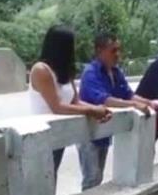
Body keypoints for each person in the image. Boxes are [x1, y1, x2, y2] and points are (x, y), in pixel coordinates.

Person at [29, 26, 112, 183]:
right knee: (45, 180)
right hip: (43, 134)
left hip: (60, 133)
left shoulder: (64, 71)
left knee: (52, 176)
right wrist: (92, 111)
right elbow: (57, 107)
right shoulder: (41, 70)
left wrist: (98, 109)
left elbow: (75, 101)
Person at [78, 32, 155, 191]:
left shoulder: (116, 72)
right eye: (113, 50)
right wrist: (134, 105)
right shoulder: (90, 73)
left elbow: (128, 93)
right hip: (88, 133)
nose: (118, 54)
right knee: (92, 178)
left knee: (97, 176)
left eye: (119, 50)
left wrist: (148, 102)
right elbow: (105, 100)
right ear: (100, 50)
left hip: (104, 132)